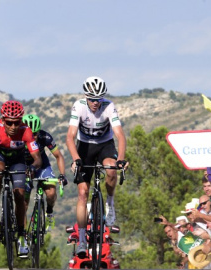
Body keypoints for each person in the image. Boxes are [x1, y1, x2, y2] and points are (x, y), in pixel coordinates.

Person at [65, 76, 128, 256]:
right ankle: (83, 239)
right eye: (92, 99)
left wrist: (121, 159)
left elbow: (120, 136)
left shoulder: (109, 106)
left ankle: (110, 202)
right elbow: (70, 136)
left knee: (111, 169)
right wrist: (76, 158)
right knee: (83, 193)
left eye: (98, 99)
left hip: (105, 145)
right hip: (84, 147)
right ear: (86, 97)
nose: (95, 102)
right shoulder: (79, 106)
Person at [0, 100, 42, 257]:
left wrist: (32, 167)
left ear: (21, 121)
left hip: (18, 161)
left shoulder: (26, 131)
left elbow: (37, 158)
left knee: (19, 195)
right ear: (3, 120)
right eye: (9, 123)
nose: (13, 127)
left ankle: (21, 236)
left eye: (16, 123)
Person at [21, 114, 67, 231]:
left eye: (36, 134)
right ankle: (23, 234)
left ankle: (49, 213)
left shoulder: (45, 137)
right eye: (31, 134)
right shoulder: (18, 138)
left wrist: (62, 175)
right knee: (23, 202)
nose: (34, 137)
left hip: (41, 164)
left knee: (51, 193)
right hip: (23, 165)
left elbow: (58, 156)